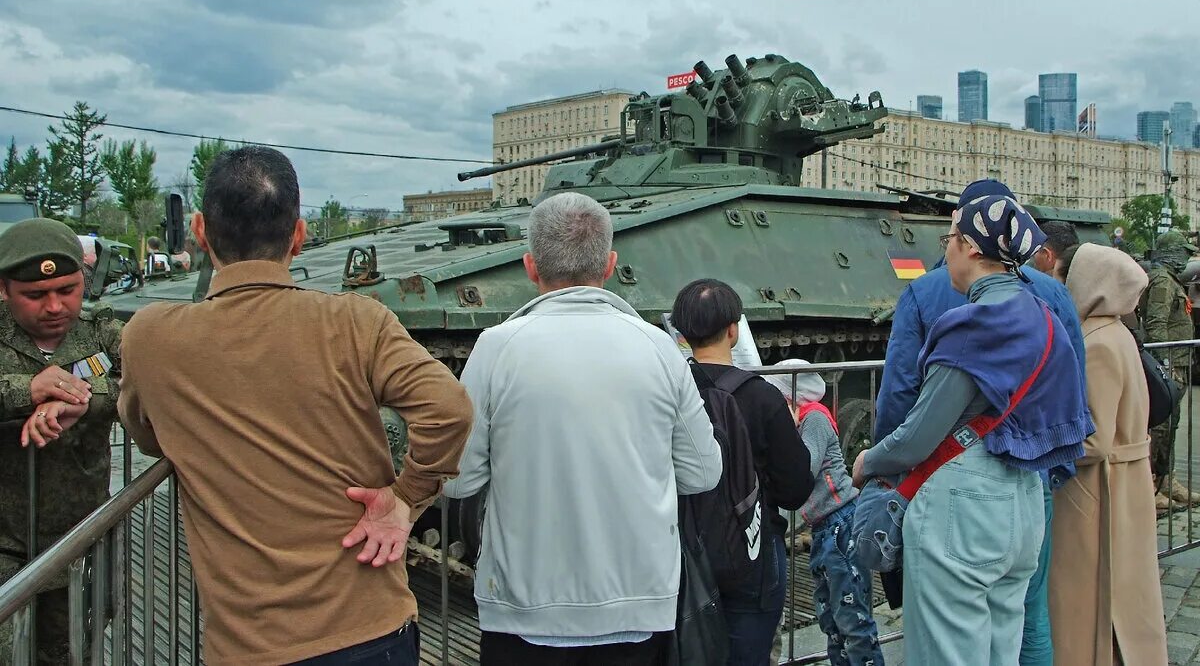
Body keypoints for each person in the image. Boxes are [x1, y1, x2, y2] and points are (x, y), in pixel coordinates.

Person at [118, 147, 473, 665]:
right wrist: (406, 497)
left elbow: (149, 436)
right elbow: (450, 410)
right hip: (372, 627)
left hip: (250, 644)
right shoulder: (357, 321)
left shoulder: (150, 337)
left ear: (199, 230)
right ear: (299, 235)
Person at [443, 192, 721, 666]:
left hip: (522, 611)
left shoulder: (495, 349)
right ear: (610, 264)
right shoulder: (658, 348)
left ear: (530, 267)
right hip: (639, 608)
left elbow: (457, 477)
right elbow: (703, 472)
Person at [854, 194, 1092, 666]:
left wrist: (869, 461)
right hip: (1024, 499)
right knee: (1002, 648)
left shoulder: (973, 323)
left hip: (963, 507)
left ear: (968, 246)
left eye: (949, 240)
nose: (946, 252)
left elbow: (918, 434)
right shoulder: (1044, 318)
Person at [0, 218, 123, 664]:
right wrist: (27, 390)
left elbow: (150, 379)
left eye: (68, 290)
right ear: (4, 289)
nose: (55, 306)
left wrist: (83, 399)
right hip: (6, 543)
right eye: (35, 295)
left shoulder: (100, 332)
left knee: (71, 647)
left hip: (80, 536)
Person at [671, 282, 814, 664]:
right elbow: (794, 490)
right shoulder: (763, 396)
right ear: (734, 330)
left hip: (681, 553)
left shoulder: (666, 391)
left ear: (681, 334)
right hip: (752, 551)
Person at [1048, 243, 1168, 665]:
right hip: (1126, 478)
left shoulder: (1096, 343)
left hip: (1099, 489)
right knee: (1126, 591)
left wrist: (1044, 447)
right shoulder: (1118, 335)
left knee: (1089, 597)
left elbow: (1094, 439)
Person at [764, 359, 883, 666]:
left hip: (839, 523)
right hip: (824, 526)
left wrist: (785, 434)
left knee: (853, 620)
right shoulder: (804, 418)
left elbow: (804, 469)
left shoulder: (813, 418)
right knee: (832, 620)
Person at [1143, 230, 1200, 509]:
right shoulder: (1163, 282)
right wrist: (1163, 367)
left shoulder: (1170, 280)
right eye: (1184, 251)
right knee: (1161, 428)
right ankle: (1153, 484)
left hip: (1178, 362)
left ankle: (1166, 478)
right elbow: (1156, 325)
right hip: (1169, 365)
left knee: (1172, 424)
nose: (1187, 257)